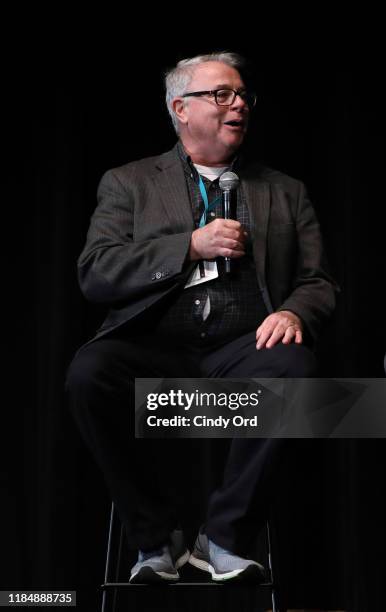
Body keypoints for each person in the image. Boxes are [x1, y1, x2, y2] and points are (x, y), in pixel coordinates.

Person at [66, 51, 337, 585]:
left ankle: (225, 537)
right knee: (88, 374)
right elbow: (96, 272)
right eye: (221, 94)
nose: (238, 104)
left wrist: (293, 310)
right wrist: (187, 246)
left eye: (241, 95)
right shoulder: (129, 182)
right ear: (180, 108)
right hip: (154, 349)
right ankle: (154, 536)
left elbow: (318, 282)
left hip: (241, 351)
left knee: (302, 373)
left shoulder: (285, 190)